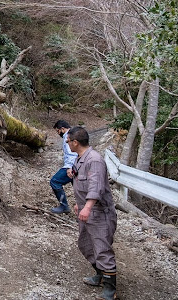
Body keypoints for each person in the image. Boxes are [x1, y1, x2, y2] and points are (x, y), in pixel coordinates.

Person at [67, 126, 117, 300]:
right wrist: (79, 204)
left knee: (102, 249)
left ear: (75, 142)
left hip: (99, 212)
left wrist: (87, 206)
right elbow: (82, 183)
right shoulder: (80, 158)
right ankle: (100, 275)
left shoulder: (94, 160)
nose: (67, 144)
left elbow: (96, 186)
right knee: (85, 244)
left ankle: (110, 290)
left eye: (68, 141)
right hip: (86, 210)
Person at [49, 119, 76, 213]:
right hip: (79, 165)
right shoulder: (75, 133)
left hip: (72, 166)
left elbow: (71, 154)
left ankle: (64, 206)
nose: (58, 133)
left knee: (55, 181)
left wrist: (69, 167)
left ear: (62, 129)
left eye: (58, 131)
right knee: (78, 188)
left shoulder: (68, 137)